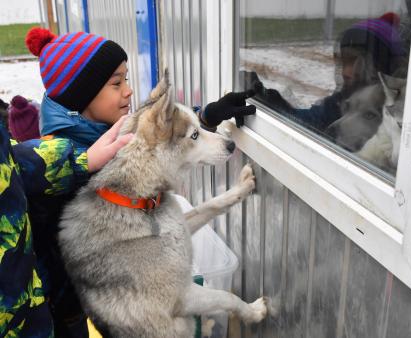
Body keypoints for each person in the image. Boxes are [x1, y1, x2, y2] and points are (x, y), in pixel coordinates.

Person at [24, 27, 256, 337]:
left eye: (127, 79)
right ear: (83, 95)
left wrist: (207, 116)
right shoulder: (73, 160)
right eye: (116, 83)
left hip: (103, 297)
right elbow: (149, 146)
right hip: (67, 310)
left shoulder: (97, 129)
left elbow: (155, 138)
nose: (129, 91)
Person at [0, 117, 132, 337]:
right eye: (116, 84)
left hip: (33, 310)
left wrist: (79, 160)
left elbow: (10, 162)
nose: (128, 93)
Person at [243, 12, 407, 134]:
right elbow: (310, 122)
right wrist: (272, 100)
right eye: (342, 62)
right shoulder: (339, 101)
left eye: (356, 63)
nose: (345, 71)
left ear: (379, 65)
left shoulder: (394, 115)